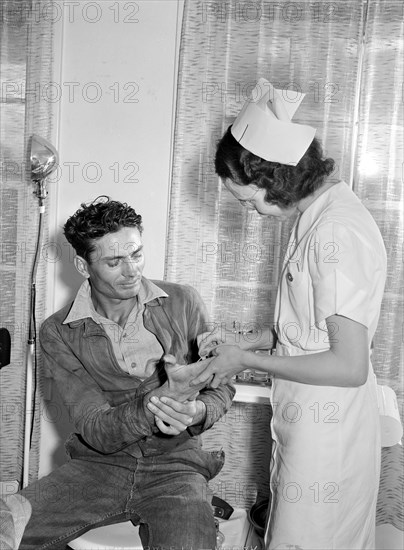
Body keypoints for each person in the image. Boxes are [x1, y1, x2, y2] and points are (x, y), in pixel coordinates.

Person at [194, 78, 387, 549]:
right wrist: (248, 341)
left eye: (248, 199)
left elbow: (347, 364)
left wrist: (246, 362)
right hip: (308, 426)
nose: (252, 211)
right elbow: (309, 329)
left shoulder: (336, 232)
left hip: (329, 437)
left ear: (272, 179)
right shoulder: (316, 215)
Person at [19, 196, 234, 550]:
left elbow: (221, 388)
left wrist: (197, 410)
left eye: (136, 254)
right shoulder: (58, 331)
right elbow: (95, 428)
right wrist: (159, 402)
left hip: (177, 467)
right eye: (114, 261)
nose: (132, 270)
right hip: (98, 467)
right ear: (82, 264)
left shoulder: (183, 302)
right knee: (8, 527)